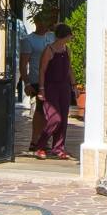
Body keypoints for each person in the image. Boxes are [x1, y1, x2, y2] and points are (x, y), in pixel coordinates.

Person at [36, 23, 76, 160]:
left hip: (64, 88)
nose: (70, 38)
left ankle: (58, 148)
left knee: (63, 119)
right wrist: (41, 89)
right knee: (55, 118)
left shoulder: (67, 50)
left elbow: (69, 69)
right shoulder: (49, 50)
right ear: (64, 36)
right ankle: (40, 146)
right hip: (51, 88)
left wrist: (74, 85)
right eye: (69, 35)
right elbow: (42, 71)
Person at [20, 10, 55, 154]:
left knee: (49, 112)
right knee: (40, 111)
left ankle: (44, 141)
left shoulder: (52, 37)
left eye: (47, 21)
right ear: (37, 23)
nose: (45, 24)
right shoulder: (29, 40)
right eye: (43, 21)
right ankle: (35, 141)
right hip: (36, 79)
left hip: (52, 80)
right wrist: (27, 83)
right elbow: (23, 64)